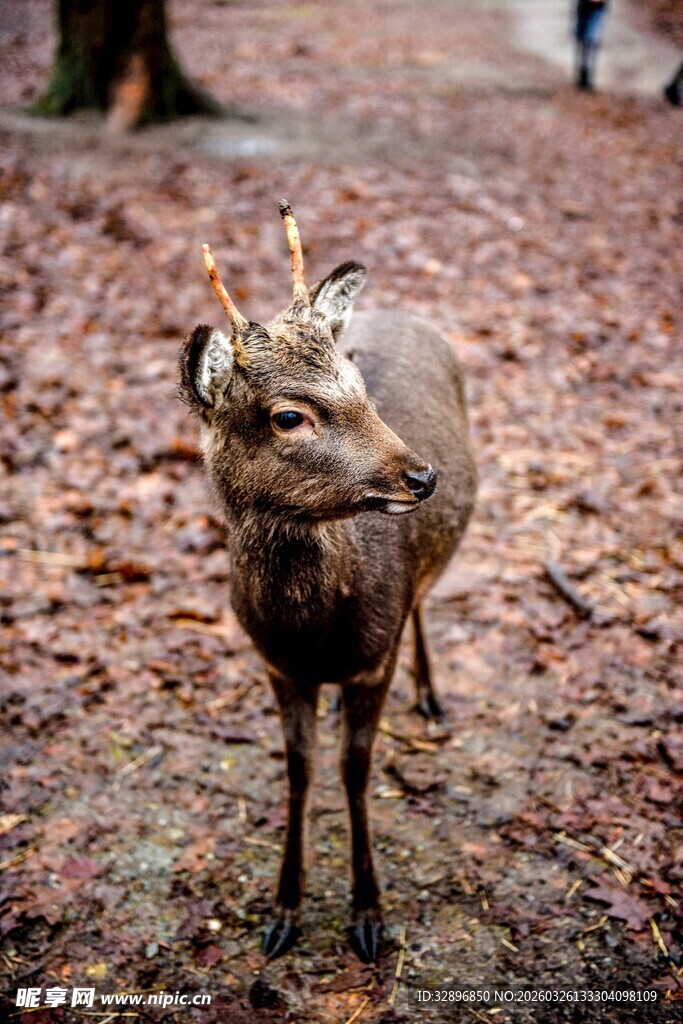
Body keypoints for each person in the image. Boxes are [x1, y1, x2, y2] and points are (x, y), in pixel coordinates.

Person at [574, 0, 609, 91]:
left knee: (590, 39)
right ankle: (583, 72)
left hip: (597, 7)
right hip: (585, 6)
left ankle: (586, 73)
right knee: (583, 39)